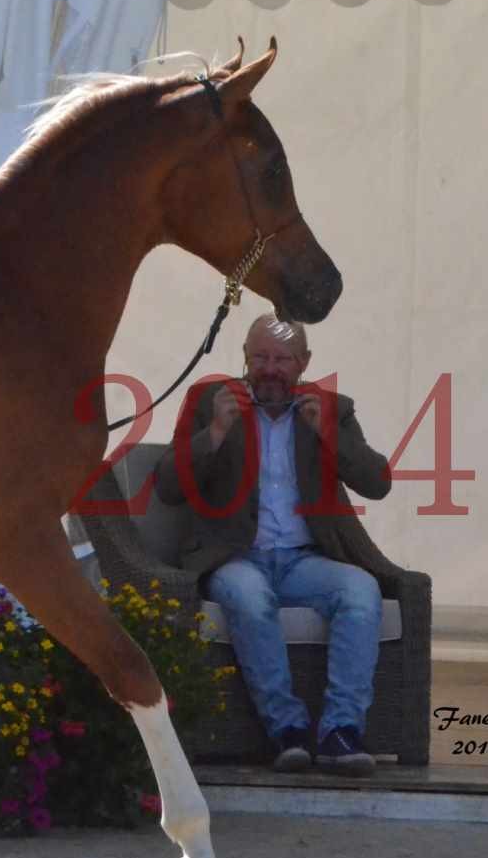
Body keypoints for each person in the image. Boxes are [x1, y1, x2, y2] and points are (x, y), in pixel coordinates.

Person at [154, 315, 392, 775]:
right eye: (260, 357)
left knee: (360, 592)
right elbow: (167, 486)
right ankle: (288, 729)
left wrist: (328, 432)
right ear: (244, 357)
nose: (270, 369)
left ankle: (340, 731)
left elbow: (378, 482)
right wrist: (216, 433)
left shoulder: (333, 409)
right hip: (234, 556)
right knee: (250, 596)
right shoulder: (209, 401)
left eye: (282, 359)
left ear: (304, 363)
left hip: (306, 559)